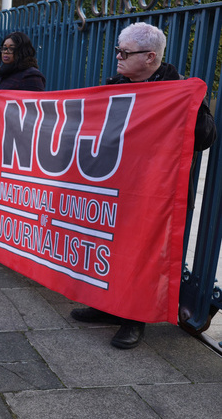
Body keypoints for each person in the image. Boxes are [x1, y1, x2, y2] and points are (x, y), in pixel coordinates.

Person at [69, 22, 216, 350]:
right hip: (119, 186)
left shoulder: (177, 88)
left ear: (150, 57)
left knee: (145, 254)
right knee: (112, 245)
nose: (117, 57)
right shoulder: (116, 84)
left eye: (125, 52)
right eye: (118, 50)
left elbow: (206, 137)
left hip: (156, 192)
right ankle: (106, 305)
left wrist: (185, 110)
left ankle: (134, 318)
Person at [0, 31, 45, 248]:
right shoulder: (2, 75)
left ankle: (13, 238)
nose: (5, 52)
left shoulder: (31, 76)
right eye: (4, 48)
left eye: (11, 48)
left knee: (11, 192)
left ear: (22, 50)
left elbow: (32, 113)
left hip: (14, 146)